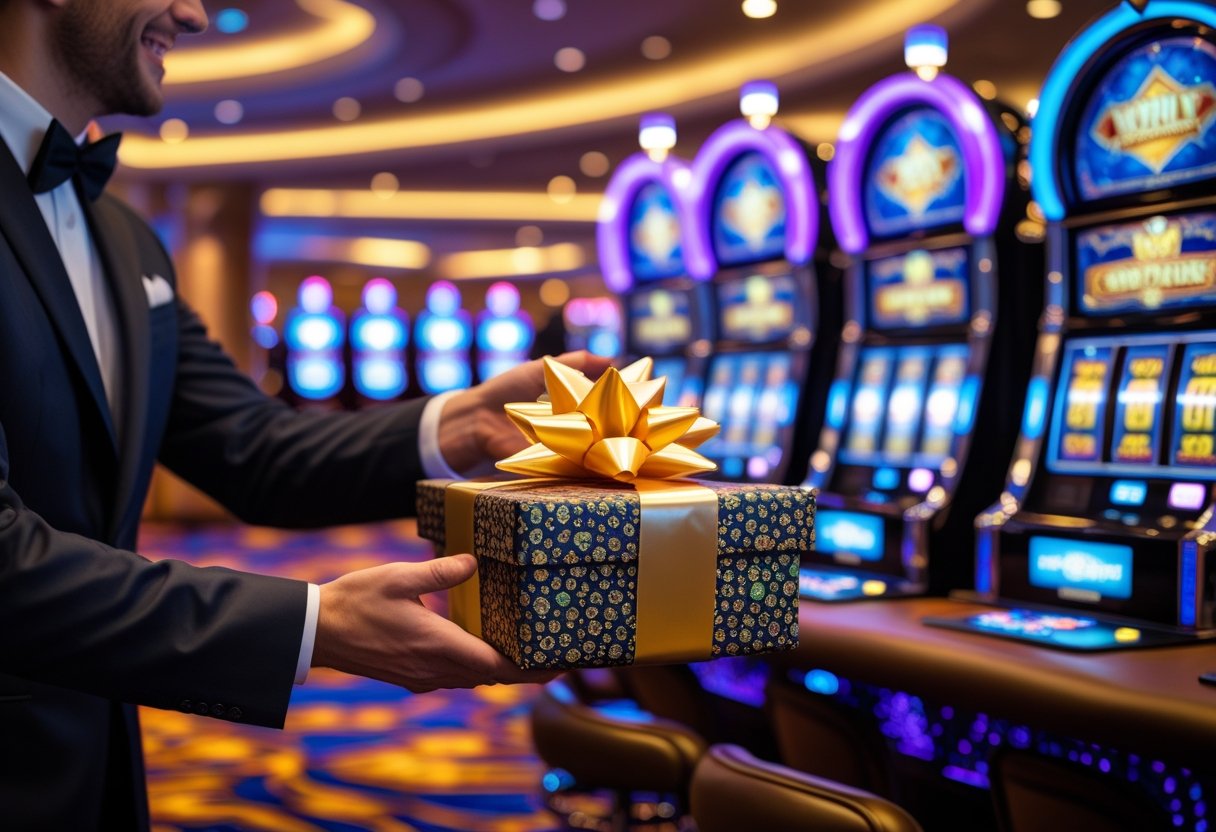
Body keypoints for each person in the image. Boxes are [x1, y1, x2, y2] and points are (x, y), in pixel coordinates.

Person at [0, 0, 610, 827]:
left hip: (93, 751)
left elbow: (252, 448)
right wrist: (314, 626)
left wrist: (460, 424)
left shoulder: (124, 234)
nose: (194, 13)